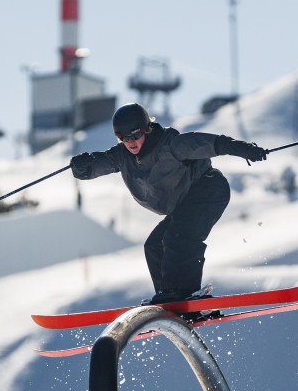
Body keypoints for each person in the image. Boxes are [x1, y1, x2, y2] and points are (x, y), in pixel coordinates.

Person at [70, 102, 267, 304]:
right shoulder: (122, 156)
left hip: (208, 189)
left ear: (146, 129)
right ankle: (168, 298)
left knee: (178, 237)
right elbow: (96, 166)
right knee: (154, 245)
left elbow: (212, 143)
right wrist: (82, 167)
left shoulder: (171, 145)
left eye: (135, 135)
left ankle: (184, 294)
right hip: (184, 204)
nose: (131, 142)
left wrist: (245, 150)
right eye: (124, 138)